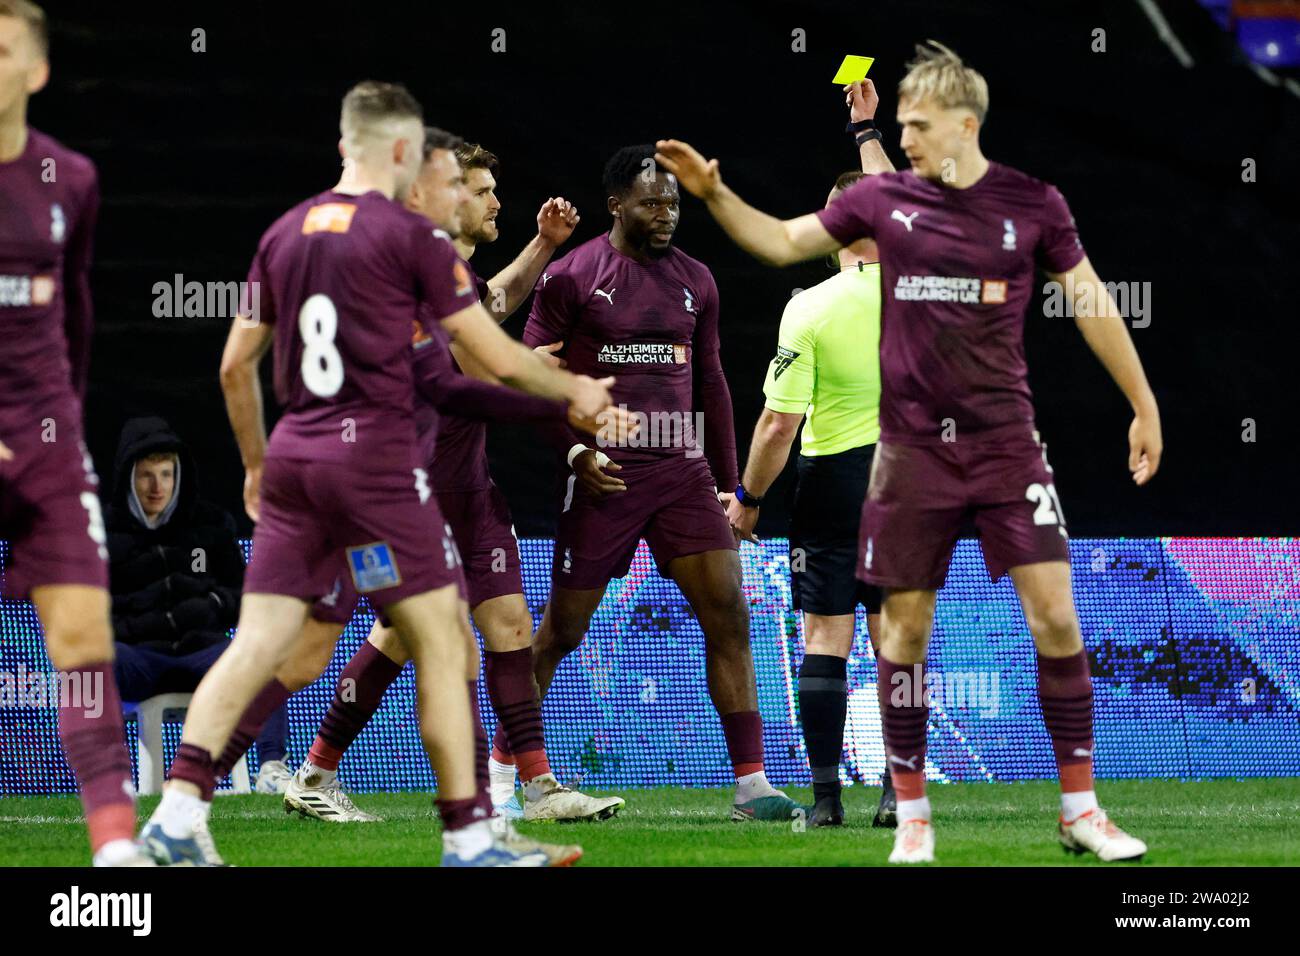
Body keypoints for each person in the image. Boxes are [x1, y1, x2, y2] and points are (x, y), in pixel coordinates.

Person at [655, 40, 1162, 862]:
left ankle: (1081, 810)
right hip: (911, 457)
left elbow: (1094, 302)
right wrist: (715, 194)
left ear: (965, 125)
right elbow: (784, 241)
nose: (908, 138)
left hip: (1006, 447)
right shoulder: (887, 205)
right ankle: (915, 820)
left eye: (918, 125)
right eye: (899, 127)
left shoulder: (1033, 204)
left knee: (1058, 616)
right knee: (906, 635)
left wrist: (1142, 403)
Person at [138, 82, 612, 867]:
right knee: (447, 641)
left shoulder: (285, 233)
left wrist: (256, 463)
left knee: (261, 645)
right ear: (402, 153)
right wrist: (573, 392)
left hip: (295, 459)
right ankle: (468, 838)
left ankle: (177, 817)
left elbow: (232, 368)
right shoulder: (412, 238)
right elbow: (488, 356)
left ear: (342, 146)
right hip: (383, 472)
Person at [284, 140, 622, 825]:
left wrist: (541, 244)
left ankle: (537, 785)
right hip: (414, 495)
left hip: (471, 489)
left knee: (508, 625)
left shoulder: (456, 275)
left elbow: (492, 306)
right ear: (450, 196)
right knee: (404, 639)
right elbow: (467, 372)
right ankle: (313, 774)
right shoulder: (418, 273)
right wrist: (540, 377)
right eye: (486, 189)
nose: (498, 199)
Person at [517, 144, 803, 822]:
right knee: (561, 632)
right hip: (604, 475)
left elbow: (711, 382)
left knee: (729, 613)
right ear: (616, 204)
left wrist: (730, 485)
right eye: (652, 202)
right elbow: (532, 377)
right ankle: (514, 772)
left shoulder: (697, 279)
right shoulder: (571, 275)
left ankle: (751, 783)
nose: (667, 214)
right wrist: (573, 457)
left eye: (674, 203)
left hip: (682, 473)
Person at [0, 0, 147, 866]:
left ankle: (115, 849)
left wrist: (62, 428)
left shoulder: (71, 179)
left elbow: (79, 313)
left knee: (86, 644)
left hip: (47, 446)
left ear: (37, 70)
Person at [724, 171, 892, 829]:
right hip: (909, 486)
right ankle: (898, 792)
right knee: (896, 641)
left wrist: (748, 497)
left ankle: (826, 802)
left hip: (835, 486)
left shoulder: (812, 306)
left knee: (826, 638)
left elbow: (776, 425)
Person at [106, 416, 291, 793]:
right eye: (146, 475)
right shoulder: (103, 531)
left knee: (263, 656)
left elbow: (245, 597)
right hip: (138, 659)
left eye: (166, 474)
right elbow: (93, 611)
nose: (158, 487)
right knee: (89, 665)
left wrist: (212, 603)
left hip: (202, 653)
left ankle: (272, 768)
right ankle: (108, 776)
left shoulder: (209, 525)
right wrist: (137, 616)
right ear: (128, 476)